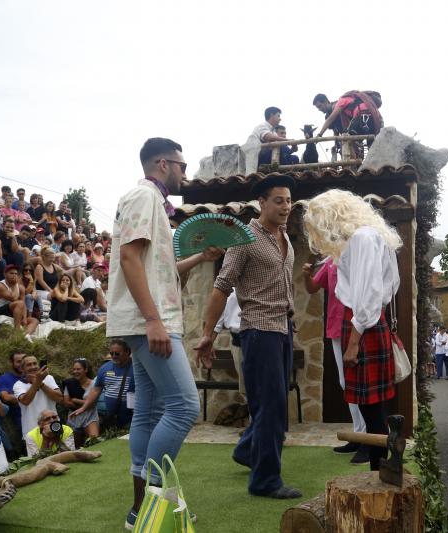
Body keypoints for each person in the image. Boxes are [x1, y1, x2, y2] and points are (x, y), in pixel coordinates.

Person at [107, 138, 215, 528]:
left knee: (149, 412)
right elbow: (129, 257)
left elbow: (156, 268)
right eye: (182, 166)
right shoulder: (144, 197)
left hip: (148, 321)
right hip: (150, 323)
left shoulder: (151, 202)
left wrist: (200, 258)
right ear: (163, 163)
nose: (186, 173)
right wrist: (153, 320)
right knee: (185, 407)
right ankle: (152, 503)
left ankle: (141, 510)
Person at [196, 172, 299, 499]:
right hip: (259, 331)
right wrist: (207, 333)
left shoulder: (284, 237)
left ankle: (247, 449)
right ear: (263, 203)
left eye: (289, 201)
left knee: (276, 406)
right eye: (279, 201)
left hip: (284, 329)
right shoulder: (244, 239)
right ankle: (265, 481)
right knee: (270, 408)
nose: (286, 207)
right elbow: (221, 287)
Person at [299, 189, 401, 475]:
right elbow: (388, 287)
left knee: (373, 410)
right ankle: (383, 474)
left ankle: (381, 475)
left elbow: (369, 295)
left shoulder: (363, 238)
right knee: (374, 409)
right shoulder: (372, 236)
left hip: (362, 325)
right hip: (365, 322)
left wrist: (354, 341)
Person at [303, 258, 368, 464]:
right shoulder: (330, 259)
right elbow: (313, 287)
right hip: (336, 327)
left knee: (360, 384)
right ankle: (359, 435)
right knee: (345, 383)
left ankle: (368, 440)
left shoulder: (358, 253)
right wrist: (306, 274)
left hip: (357, 326)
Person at [71, 339, 134, 429]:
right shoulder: (104, 368)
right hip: (111, 416)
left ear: (127, 352)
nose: (113, 356)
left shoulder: (137, 368)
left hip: (133, 417)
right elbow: (96, 390)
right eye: (111, 353)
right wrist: (83, 408)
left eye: (117, 353)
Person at [13, 354, 63, 446]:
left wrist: (40, 383)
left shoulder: (49, 378)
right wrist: (37, 382)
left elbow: (59, 398)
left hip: (54, 426)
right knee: (38, 460)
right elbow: (26, 401)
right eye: (29, 365)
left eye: (35, 363)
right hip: (32, 431)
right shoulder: (18, 385)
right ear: (22, 369)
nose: (33, 367)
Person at [0, 264, 39, 337]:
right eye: (11, 273)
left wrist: (25, 318)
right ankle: (17, 330)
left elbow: (23, 304)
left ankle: (23, 335)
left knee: (34, 321)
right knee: (18, 303)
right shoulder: (0, 286)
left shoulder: (21, 287)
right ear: (5, 274)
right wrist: (16, 284)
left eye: (16, 274)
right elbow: (13, 298)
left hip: (13, 310)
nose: (14, 275)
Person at [62, 359, 99, 449]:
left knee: (94, 441)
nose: (75, 372)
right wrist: (83, 404)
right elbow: (66, 402)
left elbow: (92, 403)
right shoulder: (69, 383)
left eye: (78, 369)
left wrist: (75, 400)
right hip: (74, 417)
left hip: (90, 416)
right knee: (74, 447)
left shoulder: (94, 384)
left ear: (85, 370)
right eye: (74, 369)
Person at [0, 351, 26, 448]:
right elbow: (6, 398)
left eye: (24, 361)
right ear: (11, 363)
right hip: (21, 421)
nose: (22, 364)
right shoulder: (4, 379)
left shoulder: (33, 376)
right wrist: (29, 396)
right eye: (18, 361)